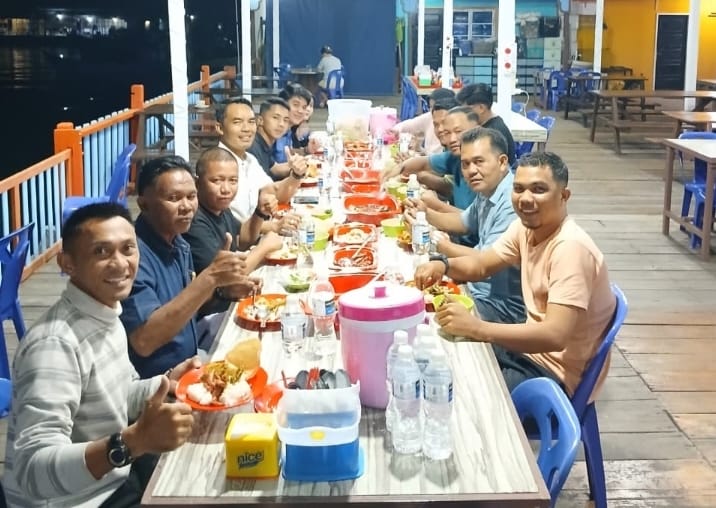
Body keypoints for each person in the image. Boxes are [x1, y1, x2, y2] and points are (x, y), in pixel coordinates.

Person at [3, 203, 197, 507]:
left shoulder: (104, 313)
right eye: (101, 252)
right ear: (67, 263)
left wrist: (167, 384)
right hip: (79, 500)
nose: (120, 264)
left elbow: (119, 395)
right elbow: (32, 470)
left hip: (115, 478)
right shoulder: (54, 345)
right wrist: (134, 441)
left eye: (128, 249)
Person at [415, 152, 616, 395]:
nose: (525, 199)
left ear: (564, 196)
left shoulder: (570, 249)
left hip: (553, 373)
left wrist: (476, 328)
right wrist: (443, 265)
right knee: (441, 350)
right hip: (528, 351)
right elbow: (481, 265)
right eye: (519, 189)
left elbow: (555, 336)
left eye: (539, 190)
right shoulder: (524, 228)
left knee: (459, 389)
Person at [120, 156, 254, 378]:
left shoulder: (178, 241)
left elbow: (189, 308)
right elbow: (144, 341)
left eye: (191, 197)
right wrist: (210, 277)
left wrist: (223, 290)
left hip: (192, 363)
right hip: (159, 384)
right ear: (144, 204)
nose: (186, 207)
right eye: (173, 198)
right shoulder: (132, 257)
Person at [404, 127, 525, 324]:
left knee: (420, 318)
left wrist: (436, 241)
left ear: (502, 162)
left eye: (479, 162)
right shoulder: (489, 189)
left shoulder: (511, 204)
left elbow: (483, 261)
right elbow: (463, 222)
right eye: (465, 164)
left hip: (499, 307)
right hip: (474, 287)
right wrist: (424, 214)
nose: (471, 171)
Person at [184, 147, 283, 318]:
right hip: (208, 316)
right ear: (197, 183)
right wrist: (264, 248)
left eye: (233, 181)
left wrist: (260, 213)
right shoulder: (194, 221)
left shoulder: (219, 206)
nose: (226, 189)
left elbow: (242, 239)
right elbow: (227, 279)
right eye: (217, 181)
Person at [215, 97, 303, 236]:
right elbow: (232, 228)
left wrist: (296, 174)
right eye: (237, 122)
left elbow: (274, 192)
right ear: (220, 128)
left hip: (258, 234)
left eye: (251, 122)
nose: (246, 129)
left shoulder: (248, 159)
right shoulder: (216, 166)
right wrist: (274, 226)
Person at [383, 106, 480, 211]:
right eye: (447, 133)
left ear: (477, 129)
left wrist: (434, 204)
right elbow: (424, 163)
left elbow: (472, 219)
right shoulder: (455, 157)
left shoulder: (483, 168)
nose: (452, 139)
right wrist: (398, 169)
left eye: (458, 131)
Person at [457, 83, 517, 166]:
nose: (463, 114)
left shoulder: (492, 132)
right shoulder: (489, 124)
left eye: (466, 110)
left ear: (481, 108)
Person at [390, 88, 456, 155]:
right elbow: (407, 125)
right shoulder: (429, 116)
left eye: (436, 107)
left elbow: (441, 159)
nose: (432, 111)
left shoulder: (454, 137)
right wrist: (395, 131)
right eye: (430, 107)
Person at [247, 97, 293, 181]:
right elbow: (262, 186)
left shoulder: (264, 143)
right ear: (260, 120)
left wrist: (303, 164)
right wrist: (296, 176)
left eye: (285, 120)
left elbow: (274, 168)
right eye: (275, 117)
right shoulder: (252, 146)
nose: (281, 124)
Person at [274, 84, 318, 163]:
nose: (300, 111)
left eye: (304, 107)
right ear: (283, 104)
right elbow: (272, 166)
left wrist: (307, 150)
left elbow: (288, 152)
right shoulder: (273, 131)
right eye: (296, 105)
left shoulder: (289, 130)